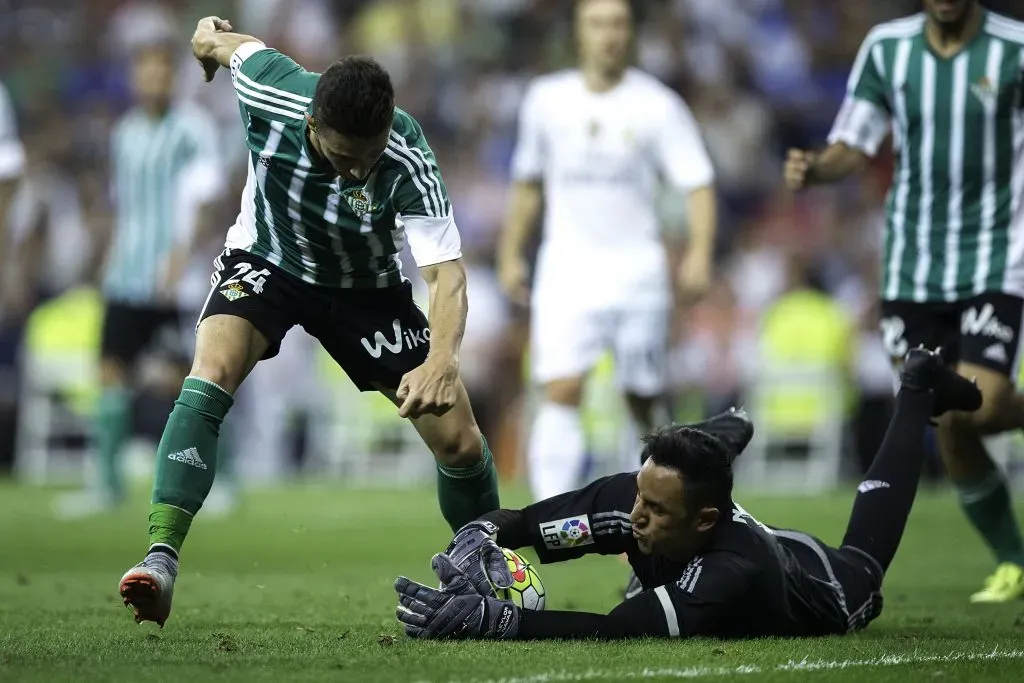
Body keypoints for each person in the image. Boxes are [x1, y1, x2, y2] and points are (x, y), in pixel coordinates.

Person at [118, 16, 500, 626]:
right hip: (268, 259)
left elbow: (446, 275)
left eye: (367, 159)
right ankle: (161, 559)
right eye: (344, 157)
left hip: (364, 290)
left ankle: (490, 572)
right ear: (312, 124)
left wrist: (442, 362)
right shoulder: (269, 87)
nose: (356, 172)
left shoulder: (405, 151)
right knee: (211, 369)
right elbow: (217, 40)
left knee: (460, 440)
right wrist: (204, 44)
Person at [393, 348, 982, 640]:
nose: (633, 518)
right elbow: (522, 522)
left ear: (702, 522)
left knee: (866, 563)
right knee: (663, 497)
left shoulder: (731, 570)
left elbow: (616, 630)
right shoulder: (636, 498)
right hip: (711, 527)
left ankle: (917, 385)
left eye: (653, 511)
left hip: (820, 580)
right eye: (640, 499)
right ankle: (713, 441)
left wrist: (496, 621)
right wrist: (482, 532)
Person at [784, 0, 1024, 603]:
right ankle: (1014, 560)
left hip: (996, 255)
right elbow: (853, 143)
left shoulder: (1013, 48)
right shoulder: (888, 49)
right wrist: (815, 169)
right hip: (912, 268)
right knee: (942, 414)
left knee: (984, 405)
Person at [498, 0, 717, 501]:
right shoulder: (546, 100)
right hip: (567, 269)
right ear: (579, 33)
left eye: (618, 24)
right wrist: (512, 251)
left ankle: (649, 513)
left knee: (641, 398)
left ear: (631, 33)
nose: (609, 35)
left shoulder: (657, 104)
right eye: (597, 24)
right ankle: (551, 516)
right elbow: (527, 183)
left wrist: (700, 253)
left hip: (637, 271)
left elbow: (698, 182)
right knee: (560, 389)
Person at [52, 42, 226, 517]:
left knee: (191, 381)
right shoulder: (125, 133)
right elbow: (124, 207)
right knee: (110, 372)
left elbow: (206, 200)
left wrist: (182, 257)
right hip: (126, 275)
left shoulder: (192, 129)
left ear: (173, 77)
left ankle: (216, 482)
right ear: (134, 78)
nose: (152, 81)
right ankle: (106, 487)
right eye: (144, 72)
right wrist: (104, 258)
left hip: (175, 280)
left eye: (160, 72)